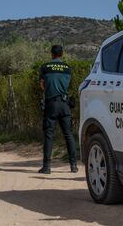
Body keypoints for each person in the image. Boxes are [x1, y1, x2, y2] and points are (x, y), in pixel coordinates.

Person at [38, 45, 78, 174]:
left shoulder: (45, 67)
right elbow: (67, 83)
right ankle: (73, 165)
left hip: (51, 104)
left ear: (51, 54)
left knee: (49, 135)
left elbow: (42, 86)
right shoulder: (67, 68)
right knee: (68, 135)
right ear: (62, 54)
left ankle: (46, 167)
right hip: (65, 104)